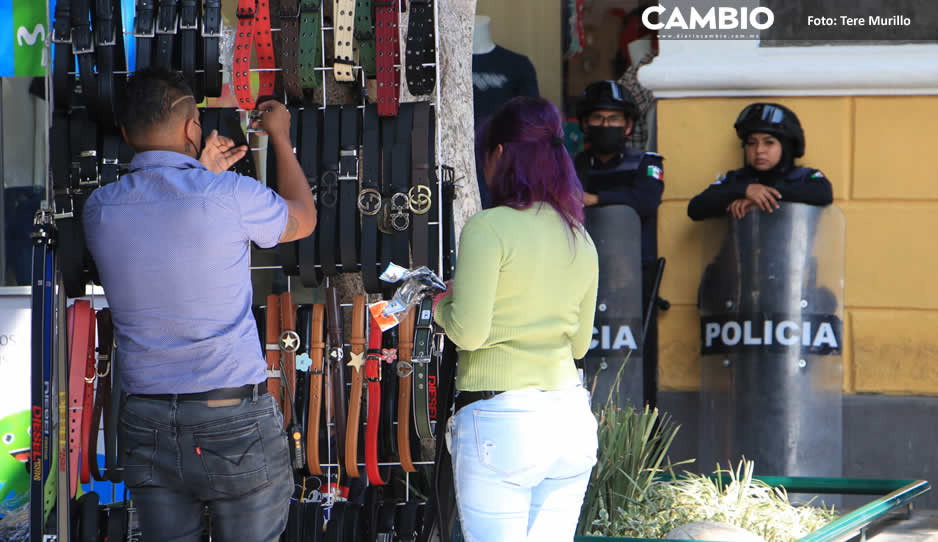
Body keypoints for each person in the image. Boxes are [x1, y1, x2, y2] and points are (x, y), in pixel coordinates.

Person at [83, 68, 317, 542]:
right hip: (232, 416)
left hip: (147, 423)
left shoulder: (100, 209)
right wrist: (281, 137)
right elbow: (304, 217)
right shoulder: (230, 196)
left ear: (127, 134)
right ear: (193, 128)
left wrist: (199, 173)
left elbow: (171, 226)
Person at [433, 96, 599, 542]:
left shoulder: (489, 228)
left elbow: (468, 331)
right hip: (569, 418)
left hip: (501, 422)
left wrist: (438, 305)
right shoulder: (578, 235)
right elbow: (580, 346)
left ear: (501, 154)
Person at [574, 80, 665, 407]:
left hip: (633, 280)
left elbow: (646, 201)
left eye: (614, 119)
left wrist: (595, 198)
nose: (605, 126)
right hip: (582, 277)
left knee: (635, 365)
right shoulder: (573, 165)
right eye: (598, 118)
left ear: (628, 125)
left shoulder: (646, 163)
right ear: (585, 123)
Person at [687, 102, 833, 221]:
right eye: (751, 143)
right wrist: (744, 190)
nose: (759, 150)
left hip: (793, 256)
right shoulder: (735, 179)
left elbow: (824, 193)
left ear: (787, 147)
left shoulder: (805, 177)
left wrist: (761, 198)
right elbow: (695, 208)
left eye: (769, 143)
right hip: (739, 257)